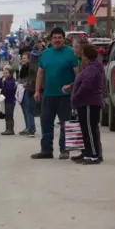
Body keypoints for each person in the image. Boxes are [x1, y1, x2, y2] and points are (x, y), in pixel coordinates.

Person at [31, 27, 79, 160]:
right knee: (46, 123)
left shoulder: (71, 53)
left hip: (65, 96)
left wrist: (75, 90)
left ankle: (64, 150)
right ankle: (46, 150)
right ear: (50, 40)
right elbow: (40, 73)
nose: (57, 40)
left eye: (60, 38)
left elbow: (77, 73)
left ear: (64, 39)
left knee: (65, 124)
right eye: (55, 38)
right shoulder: (45, 54)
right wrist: (36, 90)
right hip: (48, 94)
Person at [64, 44, 104, 164]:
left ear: (86, 56)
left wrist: (75, 97)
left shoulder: (92, 68)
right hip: (84, 103)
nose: (80, 57)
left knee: (90, 130)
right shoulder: (87, 67)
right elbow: (80, 82)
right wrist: (71, 87)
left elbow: (86, 86)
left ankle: (94, 155)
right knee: (85, 130)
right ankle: (87, 152)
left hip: (89, 103)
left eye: (81, 55)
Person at [18, 52, 36, 137]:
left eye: (24, 58)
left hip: (29, 90)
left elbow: (32, 78)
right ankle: (27, 127)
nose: (22, 59)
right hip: (23, 90)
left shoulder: (30, 66)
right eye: (22, 57)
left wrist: (27, 83)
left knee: (29, 110)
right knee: (25, 109)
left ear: (29, 59)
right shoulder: (24, 66)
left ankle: (31, 129)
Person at [0, 66, 16, 135]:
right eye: (4, 73)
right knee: (7, 115)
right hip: (5, 101)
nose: (4, 74)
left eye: (6, 73)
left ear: (10, 74)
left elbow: (8, 89)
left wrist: (4, 82)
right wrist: (2, 78)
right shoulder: (5, 80)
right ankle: (7, 129)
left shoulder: (11, 81)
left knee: (9, 115)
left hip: (10, 100)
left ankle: (10, 130)